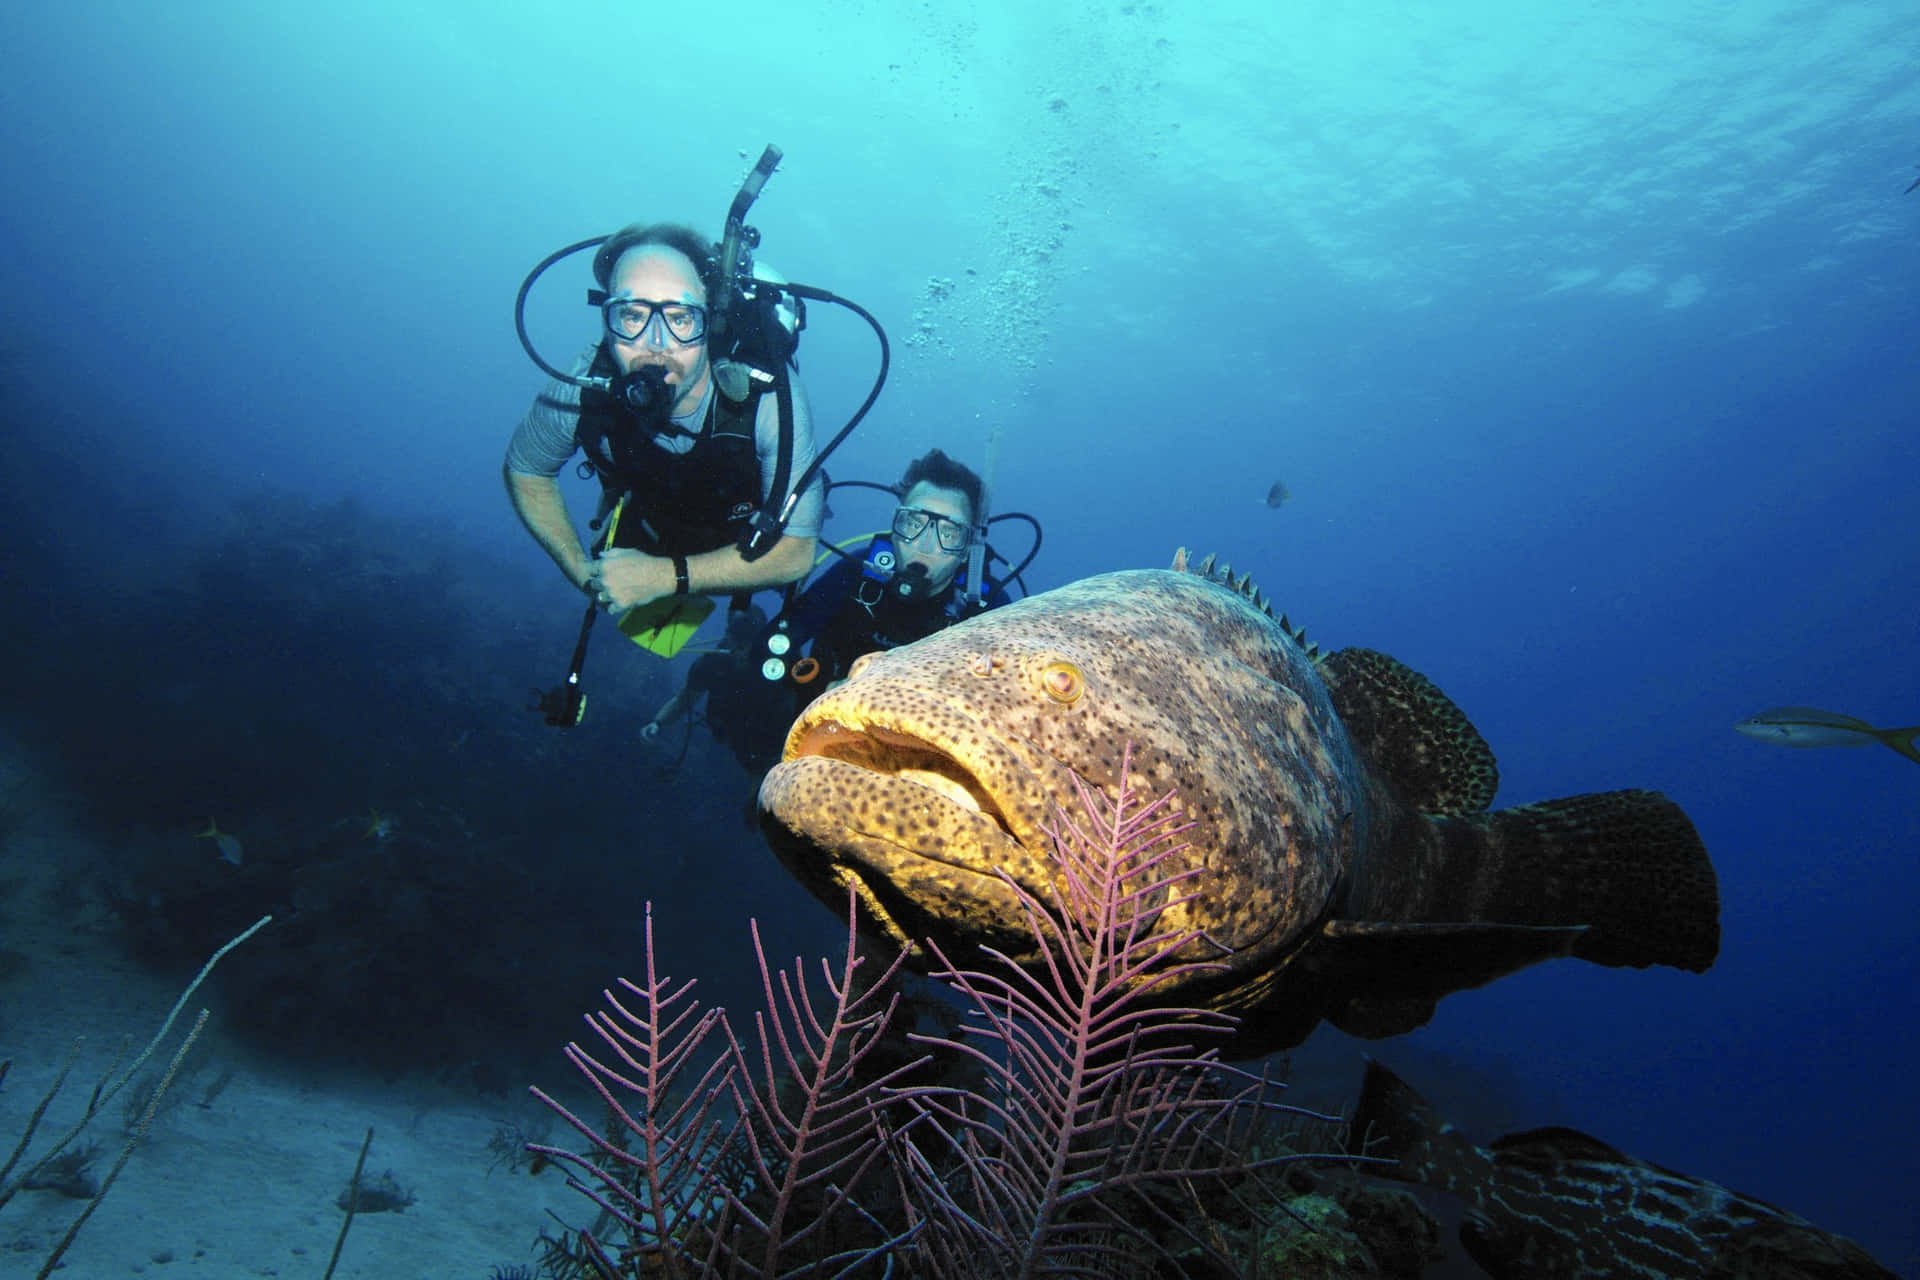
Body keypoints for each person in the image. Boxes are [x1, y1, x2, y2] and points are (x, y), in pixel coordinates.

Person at [503, 222, 823, 615]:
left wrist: (668, 578)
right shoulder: (586, 382)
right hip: (651, 522)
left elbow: (797, 551)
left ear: (711, 321)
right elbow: (527, 468)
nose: (656, 344)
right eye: (633, 315)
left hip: (745, 540)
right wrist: (582, 572)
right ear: (607, 320)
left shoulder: (770, 399)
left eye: (681, 318)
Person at [771, 449, 1009, 699]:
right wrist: (819, 687)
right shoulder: (856, 572)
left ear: (967, 549)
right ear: (895, 527)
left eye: (949, 534)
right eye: (914, 524)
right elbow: (772, 645)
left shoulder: (988, 608)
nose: (924, 546)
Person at [642, 605, 792, 776]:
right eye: (737, 640)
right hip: (726, 741)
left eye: (747, 642)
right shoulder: (711, 664)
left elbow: (796, 704)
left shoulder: (779, 664)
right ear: (729, 637)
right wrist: (658, 722)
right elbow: (685, 699)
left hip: (772, 747)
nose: (741, 650)